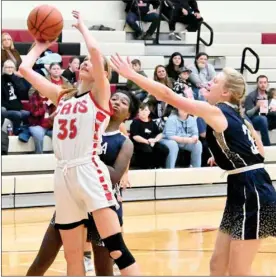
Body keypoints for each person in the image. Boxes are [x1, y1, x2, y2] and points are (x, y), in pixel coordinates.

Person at [110, 54, 276, 276]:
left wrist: (131, 75)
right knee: (217, 265)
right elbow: (260, 151)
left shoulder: (217, 111)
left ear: (226, 93)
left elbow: (168, 95)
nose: (209, 82)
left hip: (253, 190)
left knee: (239, 271)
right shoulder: (236, 115)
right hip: (241, 186)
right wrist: (228, 156)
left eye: (215, 81)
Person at [19, 11, 140, 276]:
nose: (86, 62)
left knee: (117, 249)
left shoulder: (100, 95)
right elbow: (24, 69)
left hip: (88, 169)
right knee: (73, 258)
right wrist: (39, 45)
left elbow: (96, 53)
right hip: (62, 174)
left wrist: (83, 28)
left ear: (102, 75)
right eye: (82, 61)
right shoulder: (63, 96)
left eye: (92, 64)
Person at [26, 90, 140, 276]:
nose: (117, 102)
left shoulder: (124, 142)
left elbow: (114, 176)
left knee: (104, 268)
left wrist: (84, 161)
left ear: (128, 115)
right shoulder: (86, 127)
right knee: (43, 257)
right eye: (114, 98)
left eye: (123, 102)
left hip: (102, 202)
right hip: (73, 198)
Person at [130, 103, 169, 169]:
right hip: (140, 143)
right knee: (147, 150)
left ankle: (158, 166)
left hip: (152, 142)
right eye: (141, 110)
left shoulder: (152, 123)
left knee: (163, 149)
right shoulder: (135, 122)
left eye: (146, 110)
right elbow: (135, 136)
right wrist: (147, 142)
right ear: (138, 112)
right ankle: (146, 168)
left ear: (149, 112)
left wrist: (155, 140)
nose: (143, 112)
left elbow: (160, 134)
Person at [244, 75, 274, 146]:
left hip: (267, 118)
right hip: (255, 120)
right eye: (260, 82)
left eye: (264, 82)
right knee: (262, 119)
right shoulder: (251, 96)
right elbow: (248, 114)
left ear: (267, 84)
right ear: (257, 84)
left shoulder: (270, 95)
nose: (263, 84)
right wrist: (257, 106)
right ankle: (267, 146)